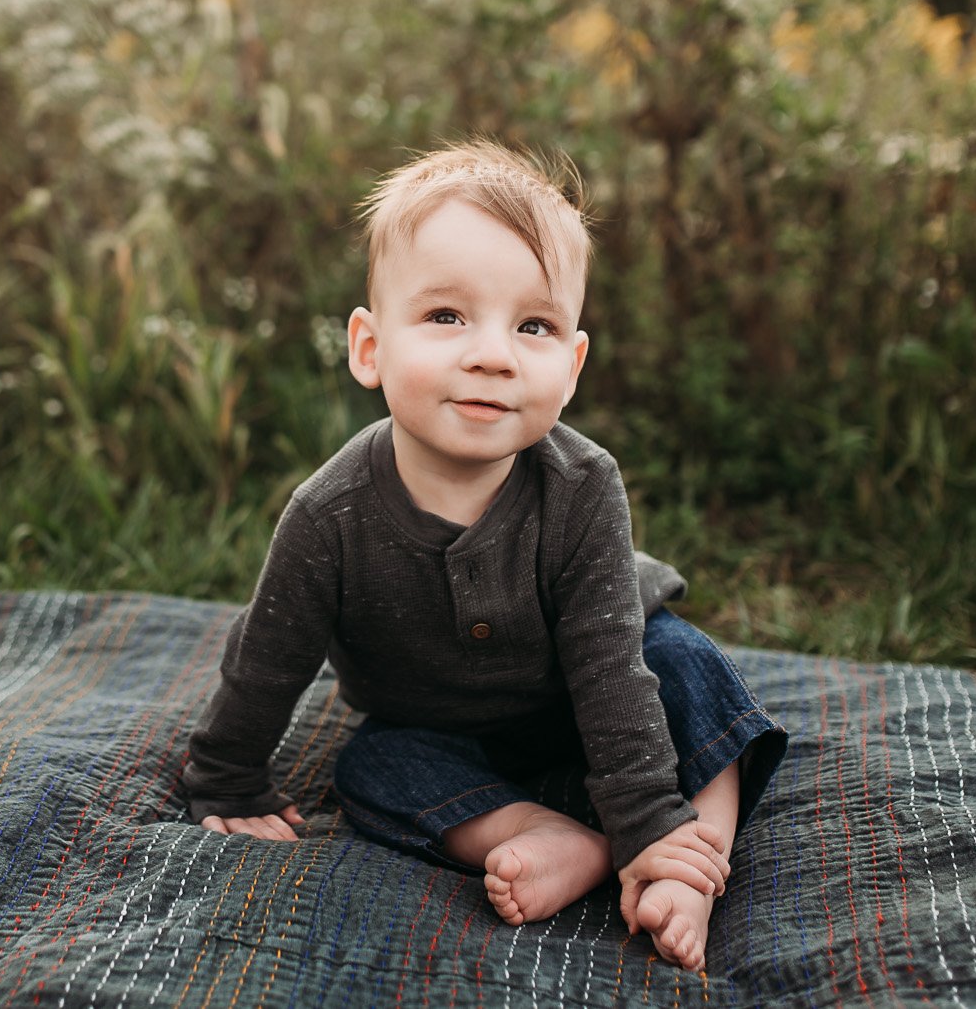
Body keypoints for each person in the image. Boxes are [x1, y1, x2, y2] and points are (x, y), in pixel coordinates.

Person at [181, 139, 786, 971]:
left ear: (570, 367)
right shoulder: (331, 513)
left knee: (683, 663)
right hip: (438, 723)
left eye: (533, 325)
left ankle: (687, 849)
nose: (493, 353)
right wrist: (226, 776)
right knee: (371, 765)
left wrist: (648, 816)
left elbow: (611, 671)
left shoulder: (582, 485)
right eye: (445, 316)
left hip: (598, 693)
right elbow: (269, 654)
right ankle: (540, 830)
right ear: (369, 348)